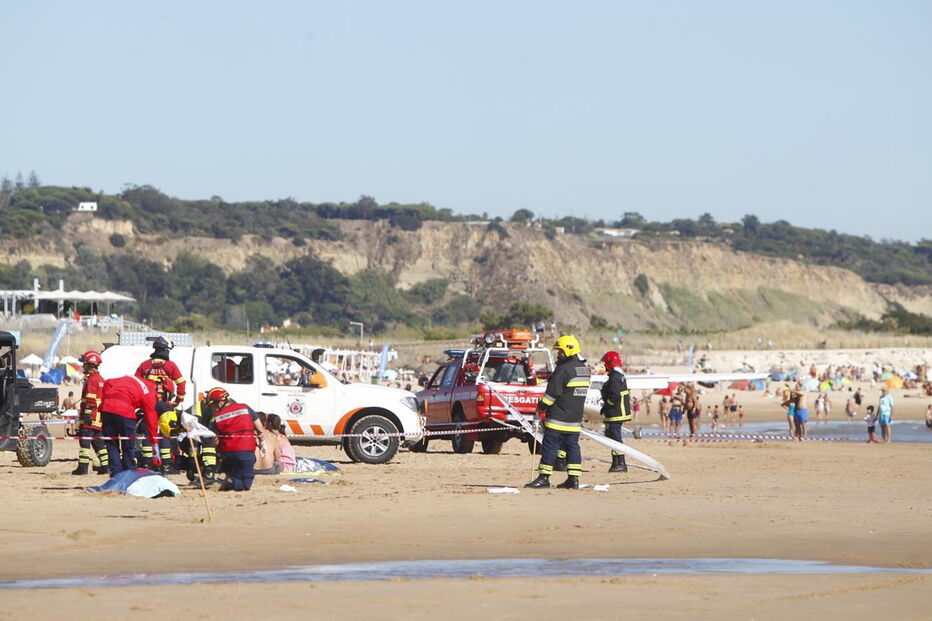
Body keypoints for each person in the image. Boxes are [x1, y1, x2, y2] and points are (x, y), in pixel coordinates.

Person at [525, 336, 590, 490]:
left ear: (568, 350)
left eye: (560, 351)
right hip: (574, 419)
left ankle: (544, 478)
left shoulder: (562, 370)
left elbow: (551, 395)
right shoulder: (584, 370)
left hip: (558, 418)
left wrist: (540, 406)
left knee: (549, 447)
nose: (558, 355)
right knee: (572, 447)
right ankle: (573, 480)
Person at [135, 338, 187, 467]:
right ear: (166, 350)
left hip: (148, 404)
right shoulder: (170, 366)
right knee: (165, 432)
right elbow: (181, 383)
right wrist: (177, 401)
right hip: (165, 404)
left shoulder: (145, 365)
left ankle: (146, 463)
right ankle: (167, 464)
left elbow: (136, 383)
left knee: (148, 431)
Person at [206, 387, 265, 491]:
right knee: (246, 483)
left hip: (228, 454)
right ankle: (233, 483)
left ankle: (229, 479)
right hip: (247, 452)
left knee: (235, 472)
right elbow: (260, 429)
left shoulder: (217, 419)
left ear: (220, 403)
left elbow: (215, 441)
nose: (212, 410)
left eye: (212, 407)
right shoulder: (245, 408)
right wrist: (262, 444)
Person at [99, 375, 159, 476]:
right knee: (128, 444)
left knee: (111, 444)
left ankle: (116, 472)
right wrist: (155, 442)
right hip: (124, 409)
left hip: (106, 408)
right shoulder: (149, 391)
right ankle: (128, 471)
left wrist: (106, 399)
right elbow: (151, 417)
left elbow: (108, 382)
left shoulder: (131, 378)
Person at [71, 351, 109, 475]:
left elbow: (91, 399)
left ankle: (83, 467)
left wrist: (87, 415)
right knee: (99, 444)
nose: (83, 366)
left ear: (90, 364)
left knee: (85, 442)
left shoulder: (92, 380)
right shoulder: (101, 379)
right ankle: (105, 466)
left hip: (90, 418)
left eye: (85, 363)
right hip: (98, 419)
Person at [598, 350, 631, 473]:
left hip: (616, 413)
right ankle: (616, 462)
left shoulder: (615, 378)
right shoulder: (618, 376)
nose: (605, 366)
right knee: (613, 438)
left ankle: (620, 463)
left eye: (606, 364)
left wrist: (606, 406)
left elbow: (614, 396)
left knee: (616, 439)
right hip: (616, 412)